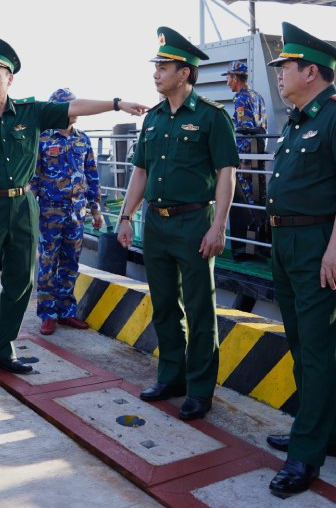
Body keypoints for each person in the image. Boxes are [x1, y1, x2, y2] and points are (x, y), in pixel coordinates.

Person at [0, 36, 146, 394]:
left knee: (22, 281)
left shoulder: (32, 111)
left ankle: (3, 349)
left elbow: (74, 107)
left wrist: (117, 103)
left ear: (10, 79)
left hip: (24, 206)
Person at [262, 22, 336, 497]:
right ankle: (323, 433)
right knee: (301, 342)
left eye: (286, 67)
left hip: (320, 243)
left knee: (319, 346)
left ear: (312, 71)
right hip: (288, 244)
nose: (280, 75)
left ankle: (304, 455)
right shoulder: (299, 120)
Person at [116, 27, 238, 422]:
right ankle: (172, 378)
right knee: (166, 306)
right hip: (157, 224)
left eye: (163, 67)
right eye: (156, 66)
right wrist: (126, 216)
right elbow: (140, 171)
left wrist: (218, 225)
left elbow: (226, 173)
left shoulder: (211, 116)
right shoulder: (152, 119)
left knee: (201, 309)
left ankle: (201, 390)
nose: (156, 73)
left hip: (193, 223)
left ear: (184, 73)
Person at [31, 87, 103, 335]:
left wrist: (96, 210)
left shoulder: (82, 139)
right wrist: (30, 212)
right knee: (48, 263)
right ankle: (47, 313)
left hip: (77, 211)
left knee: (71, 263)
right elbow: (34, 179)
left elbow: (91, 175)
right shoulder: (42, 139)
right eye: (67, 107)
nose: (73, 111)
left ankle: (66, 312)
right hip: (50, 211)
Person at [223, 60, 268, 260]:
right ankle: (261, 245)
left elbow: (245, 128)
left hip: (247, 157)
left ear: (235, 77)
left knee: (243, 206)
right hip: (259, 155)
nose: (227, 83)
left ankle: (247, 251)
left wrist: (245, 161)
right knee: (259, 203)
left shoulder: (241, 99)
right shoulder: (257, 96)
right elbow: (261, 127)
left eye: (228, 78)